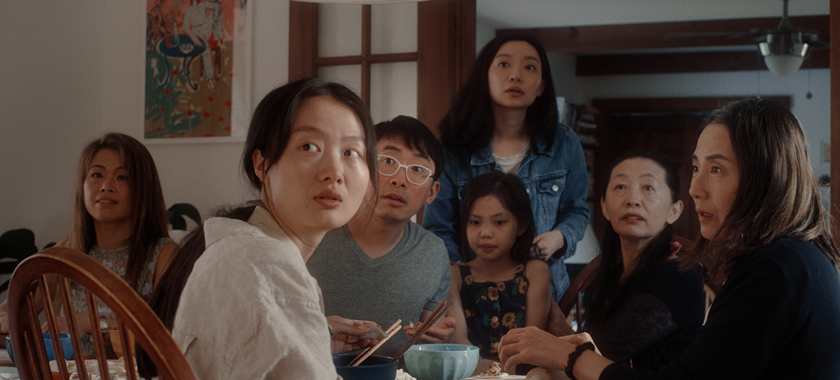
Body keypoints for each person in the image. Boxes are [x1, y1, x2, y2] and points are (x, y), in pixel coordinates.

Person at [498, 98, 840, 379]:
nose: (695, 189)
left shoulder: (775, 269)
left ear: (765, 177)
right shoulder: (796, 257)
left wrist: (572, 357)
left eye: (716, 169)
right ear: (602, 205)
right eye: (695, 168)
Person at [142, 78, 378, 380]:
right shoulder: (265, 261)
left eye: (351, 152)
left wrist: (314, 337)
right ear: (262, 165)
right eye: (309, 146)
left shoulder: (238, 241)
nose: (334, 171)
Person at [423, 34, 590, 302]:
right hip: (471, 296)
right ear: (484, 76)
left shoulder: (563, 142)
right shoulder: (453, 149)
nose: (516, 76)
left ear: (541, 87)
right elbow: (439, 229)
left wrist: (559, 238)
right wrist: (463, 275)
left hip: (544, 292)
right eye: (504, 65)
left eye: (529, 67)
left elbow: (577, 209)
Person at [0, 132, 178, 357]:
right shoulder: (67, 250)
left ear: (144, 189)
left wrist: (90, 324)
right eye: (96, 174)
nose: (106, 186)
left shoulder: (163, 255)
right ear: (82, 186)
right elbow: (13, 305)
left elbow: (171, 334)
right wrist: (5, 318)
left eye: (122, 177)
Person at [307, 115, 456, 357]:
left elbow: (430, 340)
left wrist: (439, 337)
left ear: (432, 192)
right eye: (387, 161)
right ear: (361, 167)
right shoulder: (312, 235)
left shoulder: (432, 252)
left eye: (417, 169)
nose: (399, 180)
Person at [571, 151, 704, 370]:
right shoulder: (616, 272)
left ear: (674, 211)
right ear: (604, 207)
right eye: (620, 187)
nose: (632, 200)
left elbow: (595, 355)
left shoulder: (675, 279)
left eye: (648, 188)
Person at [448, 172, 551, 374]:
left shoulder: (535, 272)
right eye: (475, 222)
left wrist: (503, 373)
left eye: (499, 222)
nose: (485, 233)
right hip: (470, 372)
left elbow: (533, 339)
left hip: (524, 372)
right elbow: (458, 339)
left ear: (521, 225)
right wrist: (483, 370)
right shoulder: (455, 275)